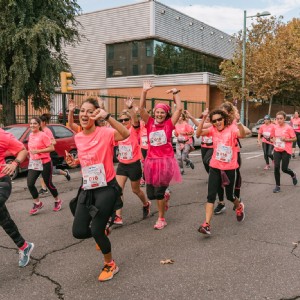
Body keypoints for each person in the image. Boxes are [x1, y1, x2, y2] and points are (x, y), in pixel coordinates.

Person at [65, 97, 129, 282]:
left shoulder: (105, 133)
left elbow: (124, 134)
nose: (84, 114)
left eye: (89, 111)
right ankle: (103, 230)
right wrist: (75, 162)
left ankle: (110, 264)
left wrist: (108, 116)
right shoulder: (78, 136)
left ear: (95, 114)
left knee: (96, 231)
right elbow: (86, 159)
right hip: (88, 188)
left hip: (106, 188)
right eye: (82, 111)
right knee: (78, 231)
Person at [139, 81, 182, 230]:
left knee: (158, 193)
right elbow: (141, 108)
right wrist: (144, 92)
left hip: (165, 163)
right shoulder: (149, 122)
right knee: (151, 194)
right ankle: (165, 195)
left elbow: (179, 109)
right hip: (151, 162)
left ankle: (161, 218)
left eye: (162, 112)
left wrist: (176, 93)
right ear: (154, 113)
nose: (159, 114)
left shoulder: (169, 124)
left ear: (166, 114)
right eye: (157, 112)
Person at [196, 108, 246, 235]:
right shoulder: (212, 130)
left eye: (219, 119)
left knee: (230, 196)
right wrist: (203, 118)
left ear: (224, 119)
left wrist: (239, 122)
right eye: (214, 121)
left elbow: (242, 135)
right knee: (211, 196)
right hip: (215, 167)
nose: (217, 122)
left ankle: (239, 206)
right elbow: (198, 133)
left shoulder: (232, 129)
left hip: (230, 168)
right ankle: (206, 224)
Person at [113, 98, 151, 225]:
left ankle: (146, 203)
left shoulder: (134, 130)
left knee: (136, 190)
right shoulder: (117, 131)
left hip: (134, 165)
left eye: (126, 119)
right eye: (121, 120)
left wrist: (131, 108)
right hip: (122, 165)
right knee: (118, 190)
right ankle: (118, 216)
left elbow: (135, 120)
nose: (123, 122)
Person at [0, 128, 34, 267]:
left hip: (1, 181)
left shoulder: (3, 135)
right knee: (4, 220)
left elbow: (23, 150)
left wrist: (14, 163)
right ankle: (24, 246)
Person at [27, 117, 62, 215]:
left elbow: (51, 147)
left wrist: (38, 151)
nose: (32, 125)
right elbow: (31, 149)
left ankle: (57, 200)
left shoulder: (43, 135)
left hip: (45, 162)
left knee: (48, 184)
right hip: (34, 163)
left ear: (39, 125)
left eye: (35, 123)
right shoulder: (30, 135)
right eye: (31, 123)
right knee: (30, 183)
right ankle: (37, 203)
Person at [38, 113, 71, 195]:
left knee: (52, 171)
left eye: (40, 122)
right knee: (41, 171)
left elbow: (54, 142)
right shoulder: (40, 130)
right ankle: (44, 188)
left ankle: (65, 173)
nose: (38, 123)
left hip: (50, 154)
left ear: (44, 122)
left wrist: (46, 144)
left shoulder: (47, 130)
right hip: (43, 154)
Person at [271, 111, 297, 193]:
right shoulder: (274, 127)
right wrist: (273, 140)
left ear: (284, 119)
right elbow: (272, 138)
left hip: (286, 150)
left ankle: (293, 174)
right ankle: (277, 186)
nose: (279, 120)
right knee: (276, 167)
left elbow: (294, 138)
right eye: (277, 118)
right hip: (277, 150)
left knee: (284, 169)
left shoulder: (289, 128)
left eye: (281, 118)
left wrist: (286, 139)